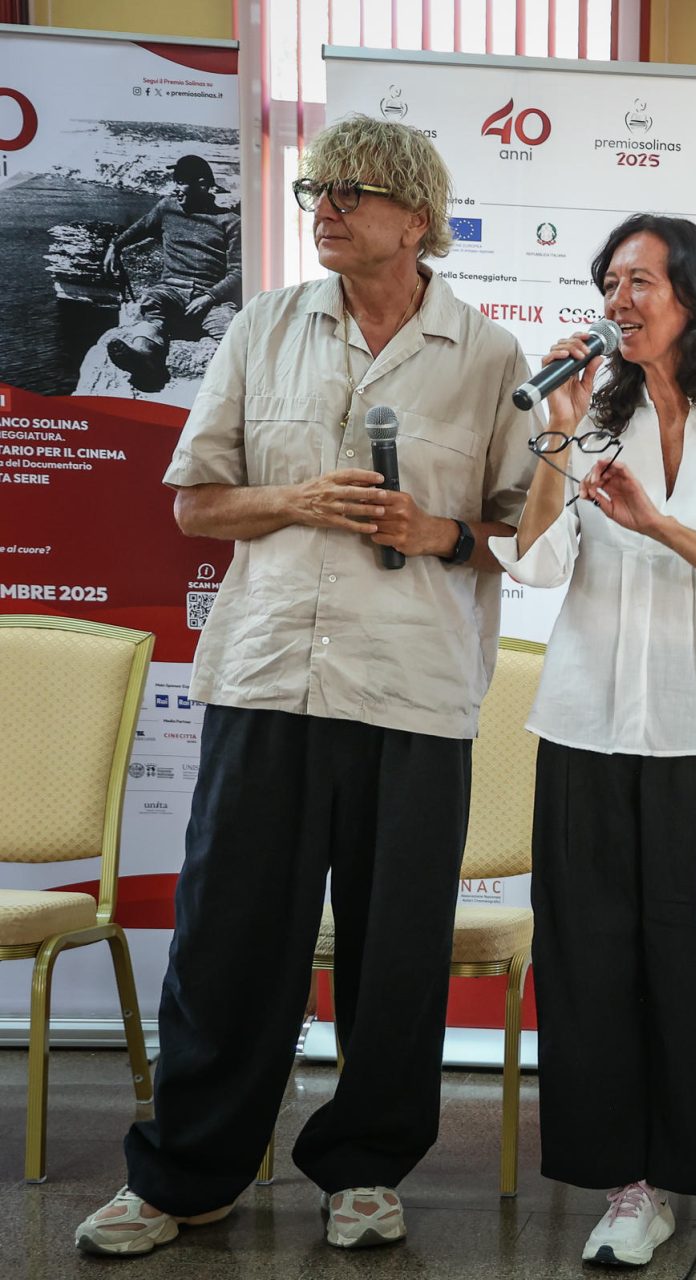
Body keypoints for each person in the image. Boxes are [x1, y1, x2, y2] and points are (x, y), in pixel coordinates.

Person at [74, 115, 536, 1256]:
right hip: (266, 677)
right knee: (227, 940)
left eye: (348, 191)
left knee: (396, 951)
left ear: (416, 217)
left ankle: (364, 1167)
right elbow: (196, 503)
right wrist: (296, 500)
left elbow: (526, 539)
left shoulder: (490, 358)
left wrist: (437, 531)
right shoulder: (263, 326)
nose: (322, 208)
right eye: (313, 190)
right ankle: (187, 1173)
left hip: (413, 690)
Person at [492, 213, 696, 1268]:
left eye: (641, 282)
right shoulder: (588, 419)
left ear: (692, 299)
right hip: (588, 726)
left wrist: (658, 524)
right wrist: (554, 438)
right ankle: (632, 1183)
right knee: (591, 955)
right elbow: (534, 565)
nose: (618, 301)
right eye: (610, 282)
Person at [102, 154, 242, 391]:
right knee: (152, 304)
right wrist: (115, 245)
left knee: (235, 337)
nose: (175, 188)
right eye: (175, 181)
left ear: (202, 185)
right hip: (171, 291)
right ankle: (144, 356)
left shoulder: (230, 222)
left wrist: (209, 297)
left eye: (181, 182)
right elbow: (140, 228)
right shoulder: (167, 208)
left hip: (211, 300)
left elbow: (238, 272)